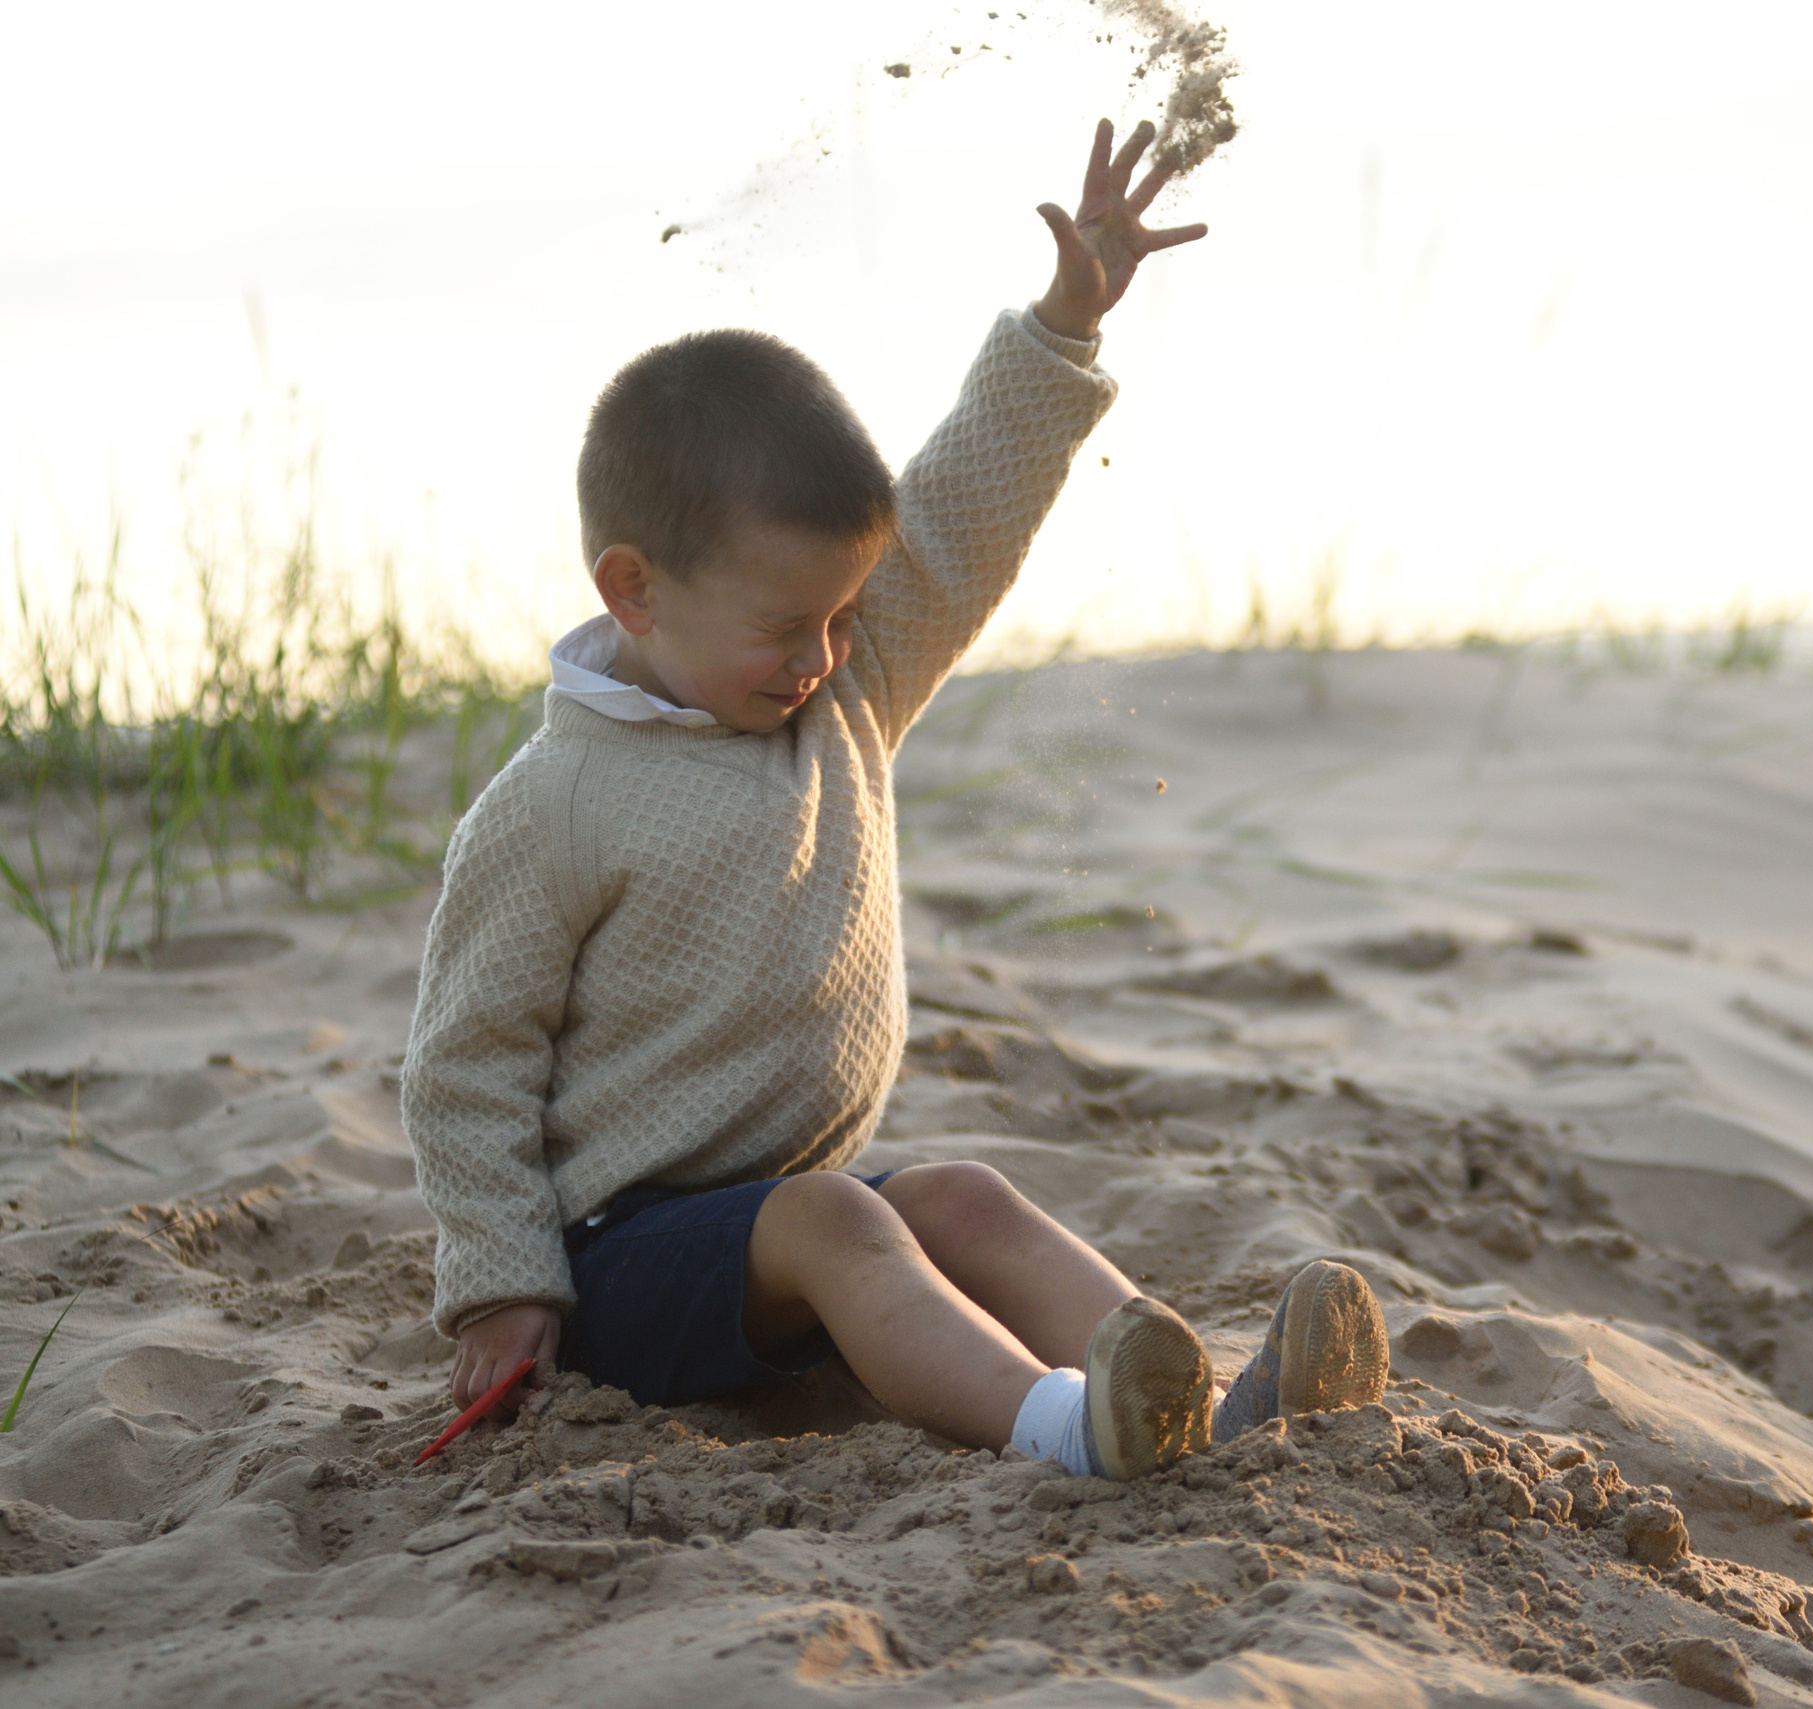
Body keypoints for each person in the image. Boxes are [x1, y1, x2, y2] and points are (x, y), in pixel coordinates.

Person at [402, 120, 1387, 1480]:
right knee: (839, 1222)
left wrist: (1062, 325)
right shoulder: (555, 802)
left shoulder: (841, 691)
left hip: (787, 1221)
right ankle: (1064, 1429)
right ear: (633, 590)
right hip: (618, 1264)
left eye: (847, 615)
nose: (821, 655)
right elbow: (467, 1059)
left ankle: (1203, 1412)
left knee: (963, 1198)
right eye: (785, 624)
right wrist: (503, 1279)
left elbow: (962, 514)